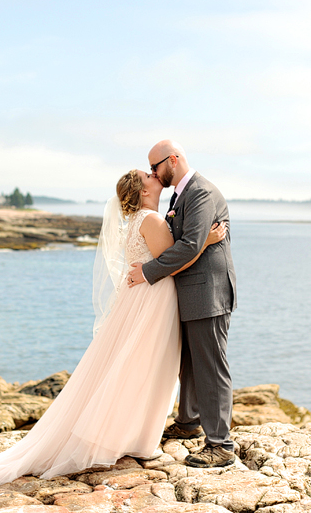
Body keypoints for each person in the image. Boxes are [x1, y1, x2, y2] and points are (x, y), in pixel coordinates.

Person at [0, 169, 226, 489]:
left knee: (134, 365)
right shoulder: (150, 220)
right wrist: (205, 240)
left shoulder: (139, 220)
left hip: (143, 298)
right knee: (146, 366)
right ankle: (133, 436)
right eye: (148, 175)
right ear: (141, 191)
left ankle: (131, 432)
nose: (155, 175)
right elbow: (175, 260)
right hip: (153, 300)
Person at [125, 140, 237, 468]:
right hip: (189, 293)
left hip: (208, 293)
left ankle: (221, 446)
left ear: (172, 160)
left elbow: (189, 247)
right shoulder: (178, 195)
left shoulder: (201, 192)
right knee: (189, 362)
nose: (152, 174)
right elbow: (181, 242)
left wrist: (147, 272)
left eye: (154, 167)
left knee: (211, 368)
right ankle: (189, 422)